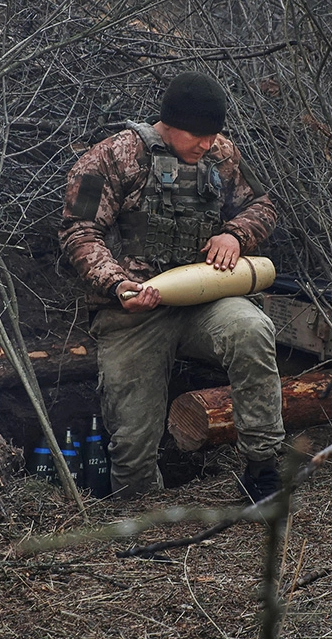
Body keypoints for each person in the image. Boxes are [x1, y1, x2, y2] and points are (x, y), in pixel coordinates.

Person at [59, 71, 285, 501]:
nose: (206, 144)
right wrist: (117, 285)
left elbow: (263, 204)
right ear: (169, 124)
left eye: (213, 133)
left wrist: (235, 234)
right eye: (197, 135)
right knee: (131, 439)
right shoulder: (109, 159)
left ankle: (263, 471)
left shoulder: (221, 154)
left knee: (252, 330)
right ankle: (140, 510)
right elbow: (78, 232)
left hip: (206, 298)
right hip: (132, 310)